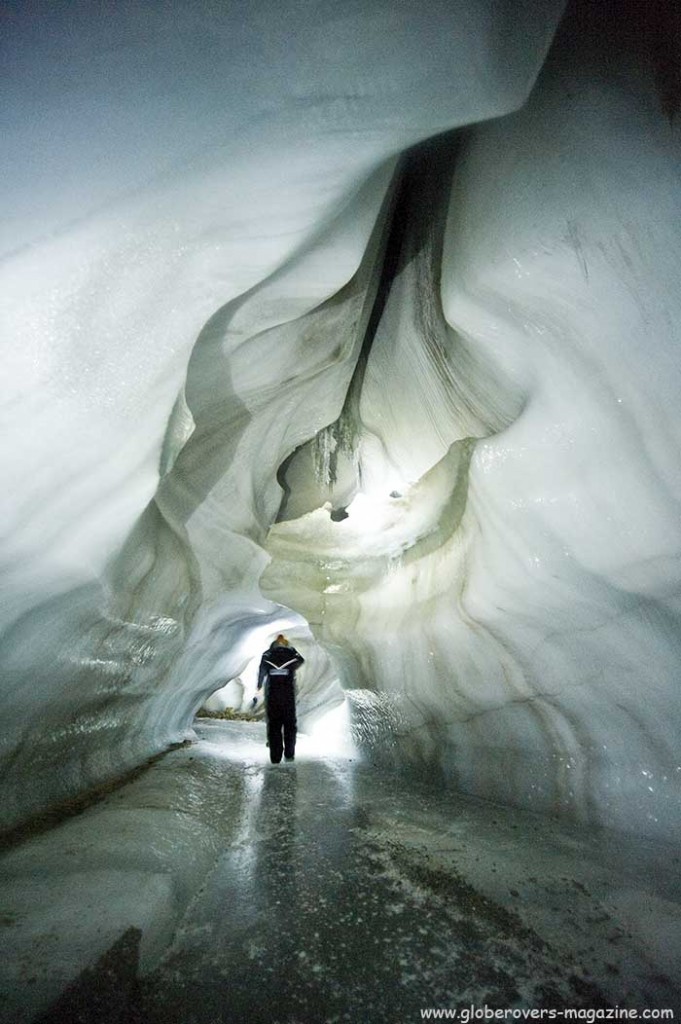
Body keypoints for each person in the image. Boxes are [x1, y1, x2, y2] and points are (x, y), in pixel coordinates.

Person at [257, 634, 305, 763]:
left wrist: (259, 685)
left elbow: (262, 670)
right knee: (289, 726)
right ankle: (289, 754)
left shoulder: (267, 656)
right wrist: (293, 650)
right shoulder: (291, 656)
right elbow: (301, 660)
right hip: (287, 696)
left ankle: (275, 756)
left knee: (274, 726)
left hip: (273, 696)